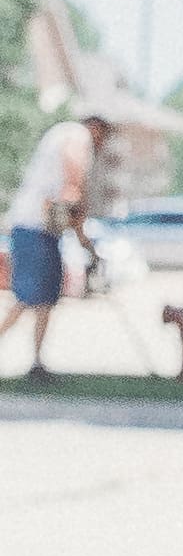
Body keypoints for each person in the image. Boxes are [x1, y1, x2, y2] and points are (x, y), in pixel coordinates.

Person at [6, 103, 98, 379]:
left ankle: (36, 362)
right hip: (35, 227)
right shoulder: (78, 136)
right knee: (30, 296)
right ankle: (36, 362)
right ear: (96, 127)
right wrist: (84, 239)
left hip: (36, 227)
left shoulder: (58, 134)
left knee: (38, 298)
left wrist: (80, 235)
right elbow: (72, 185)